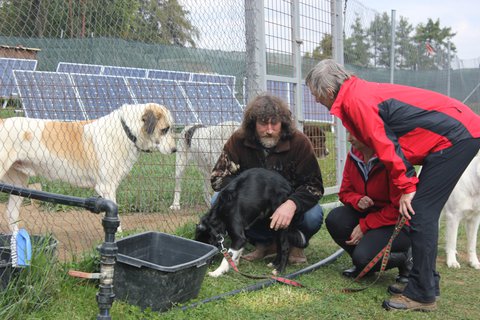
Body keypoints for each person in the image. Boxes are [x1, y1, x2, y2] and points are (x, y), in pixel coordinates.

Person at [306, 59, 480, 312]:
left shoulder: (356, 100)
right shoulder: (357, 94)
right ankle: (425, 283)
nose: (315, 100)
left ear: (328, 91)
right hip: (454, 135)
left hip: (456, 136)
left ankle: (422, 293)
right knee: (422, 213)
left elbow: (384, 143)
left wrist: (407, 185)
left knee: (421, 213)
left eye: (314, 94)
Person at [210, 93, 324, 264]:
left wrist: (291, 204)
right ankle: (264, 243)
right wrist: (248, 193)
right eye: (263, 123)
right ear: (253, 124)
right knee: (217, 199)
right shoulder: (239, 140)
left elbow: (314, 186)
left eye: (274, 123)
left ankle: (295, 245)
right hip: (253, 207)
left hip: (286, 206)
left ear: (283, 123)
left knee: (313, 215)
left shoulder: (299, 142)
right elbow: (218, 179)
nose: (269, 130)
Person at [326, 132, 412, 281]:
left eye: (354, 133)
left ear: (369, 131)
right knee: (335, 219)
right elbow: (345, 192)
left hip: (396, 223)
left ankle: (405, 257)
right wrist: (357, 200)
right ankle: (363, 264)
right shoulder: (353, 156)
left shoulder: (391, 159)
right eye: (347, 132)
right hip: (370, 215)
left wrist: (365, 225)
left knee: (363, 259)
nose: (349, 138)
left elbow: (398, 208)